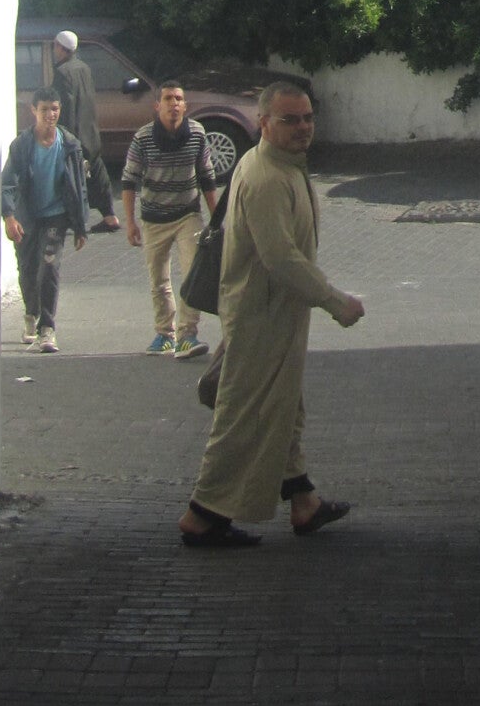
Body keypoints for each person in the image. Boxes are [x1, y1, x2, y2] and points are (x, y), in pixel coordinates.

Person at [178, 84, 364, 550]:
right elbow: (280, 258)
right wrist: (335, 301)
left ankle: (303, 499)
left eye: (307, 118)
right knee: (244, 414)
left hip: (275, 312)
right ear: (263, 123)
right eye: (289, 120)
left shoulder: (281, 165)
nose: (303, 128)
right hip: (261, 315)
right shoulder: (266, 177)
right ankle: (203, 513)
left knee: (282, 406)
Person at [121, 81, 222, 359]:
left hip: (188, 214)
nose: (173, 104)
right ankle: (165, 334)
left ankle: (187, 334)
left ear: (185, 106)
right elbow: (129, 181)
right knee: (159, 280)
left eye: (178, 99)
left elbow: (207, 177)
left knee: (192, 274)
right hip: (154, 218)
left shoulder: (197, 133)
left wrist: (216, 219)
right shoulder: (143, 138)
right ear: (158, 106)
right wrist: (130, 222)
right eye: (168, 99)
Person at [0, 88, 89, 352]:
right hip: (27, 217)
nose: (50, 115)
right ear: (34, 111)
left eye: (55, 109)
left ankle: (47, 328)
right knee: (28, 269)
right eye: (44, 110)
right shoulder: (22, 145)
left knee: (49, 267)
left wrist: (81, 226)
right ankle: (31, 313)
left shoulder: (70, 144)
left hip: (56, 216)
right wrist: (9, 216)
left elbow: (79, 186)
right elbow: (8, 182)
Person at [47, 30, 120, 231]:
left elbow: (65, 107)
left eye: (55, 46)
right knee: (97, 173)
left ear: (60, 47)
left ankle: (73, 220)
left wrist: (63, 135)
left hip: (75, 133)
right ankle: (110, 217)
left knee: (70, 178)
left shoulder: (62, 72)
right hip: (90, 131)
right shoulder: (84, 67)